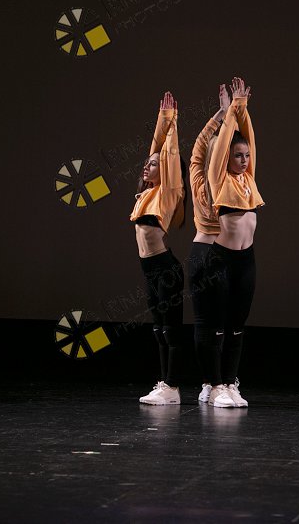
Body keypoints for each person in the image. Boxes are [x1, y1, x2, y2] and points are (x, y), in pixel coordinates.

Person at [198, 77, 264, 408]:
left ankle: (230, 382)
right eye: (238, 156)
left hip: (245, 261)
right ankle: (214, 385)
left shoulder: (248, 179)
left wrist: (243, 110)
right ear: (227, 159)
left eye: (247, 156)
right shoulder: (219, 179)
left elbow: (249, 138)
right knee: (218, 327)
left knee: (237, 326)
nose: (244, 160)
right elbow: (224, 146)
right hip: (220, 260)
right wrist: (231, 111)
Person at [130, 91, 188, 405]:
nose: (147, 166)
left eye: (153, 165)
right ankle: (165, 384)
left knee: (171, 330)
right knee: (158, 329)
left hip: (166, 269)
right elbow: (156, 150)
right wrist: (162, 118)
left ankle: (173, 386)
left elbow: (167, 154)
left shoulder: (168, 192)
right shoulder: (147, 193)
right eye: (146, 164)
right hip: (150, 270)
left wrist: (172, 122)